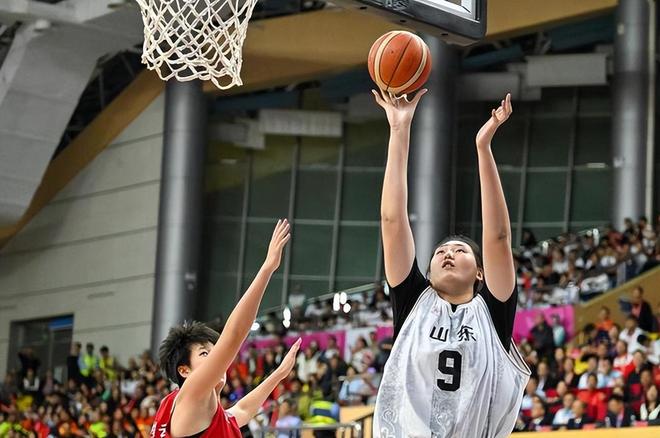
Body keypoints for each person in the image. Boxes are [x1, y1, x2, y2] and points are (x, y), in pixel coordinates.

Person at [371, 90, 529, 437]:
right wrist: (399, 129)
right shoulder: (414, 301)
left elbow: (498, 237)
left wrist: (483, 147)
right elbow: (392, 221)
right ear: (427, 273)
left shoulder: (493, 312)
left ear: (480, 272)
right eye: (441, 252)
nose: (448, 254)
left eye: (460, 250)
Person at [151, 220, 300, 437]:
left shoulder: (201, 410)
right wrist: (267, 268)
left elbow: (243, 410)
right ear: (184, 371)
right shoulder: (191, 395)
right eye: (205, 353)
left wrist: (279, 374)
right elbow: (234, 335)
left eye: (214, 351)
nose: (217, 357)